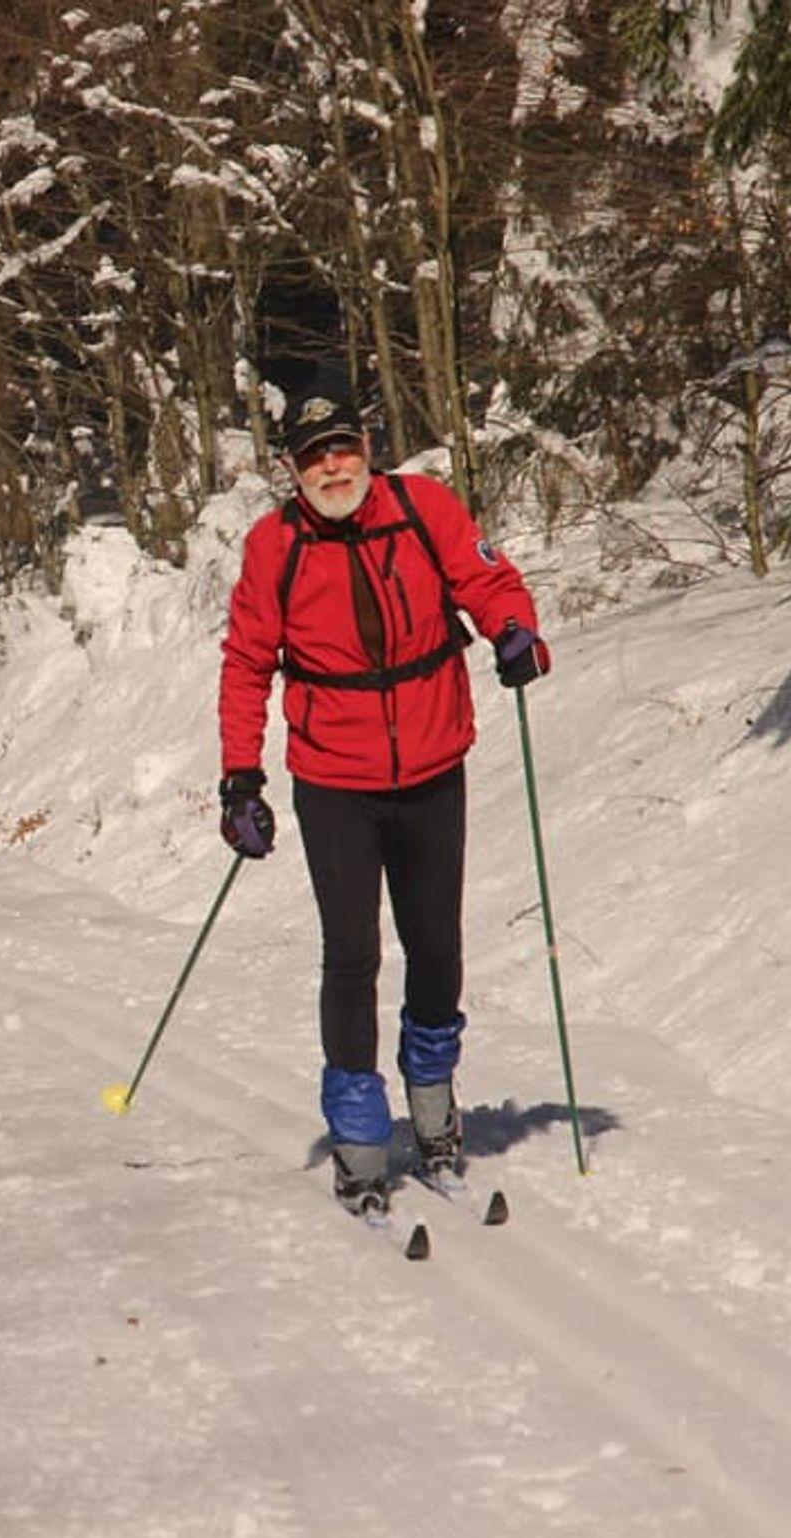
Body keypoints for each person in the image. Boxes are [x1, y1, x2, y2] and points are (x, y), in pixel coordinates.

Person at [216, 390, 550, 1216]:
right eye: (313, 455)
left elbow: (489, 580)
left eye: (342, 447)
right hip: (335, 782)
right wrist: (240, 780)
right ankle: (360, 1137)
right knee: (352, 955)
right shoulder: (274, 547)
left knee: (435, 945)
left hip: (433, 768)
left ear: (365, 445)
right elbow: (247, 664)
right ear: (290, 468)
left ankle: (433, 1104)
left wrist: (514, 631)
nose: (333, 466)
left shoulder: (423, 509)